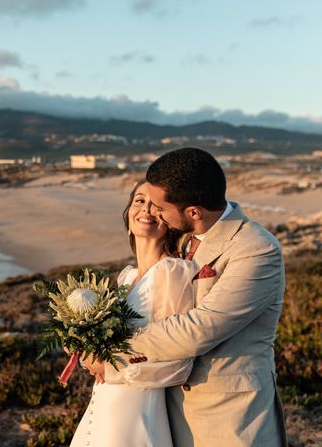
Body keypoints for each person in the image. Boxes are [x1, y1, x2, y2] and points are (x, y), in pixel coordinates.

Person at [101, 148, 287, 446]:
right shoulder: (184, 236)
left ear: (193, 212)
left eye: (160, 208)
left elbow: (201, 328)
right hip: (169, 408)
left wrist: (112, 353)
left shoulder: (255, 248)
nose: (154, 213)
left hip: (230, 417)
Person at [70, 179, 200, 447]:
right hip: (106, 403)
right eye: (140, 201)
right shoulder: (127, 278)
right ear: (128, 215)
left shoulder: (172, 273)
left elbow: (179, 362)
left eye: (157, 205)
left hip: (137, 412)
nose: (146, 210)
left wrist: (108, 365)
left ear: (171, 220)